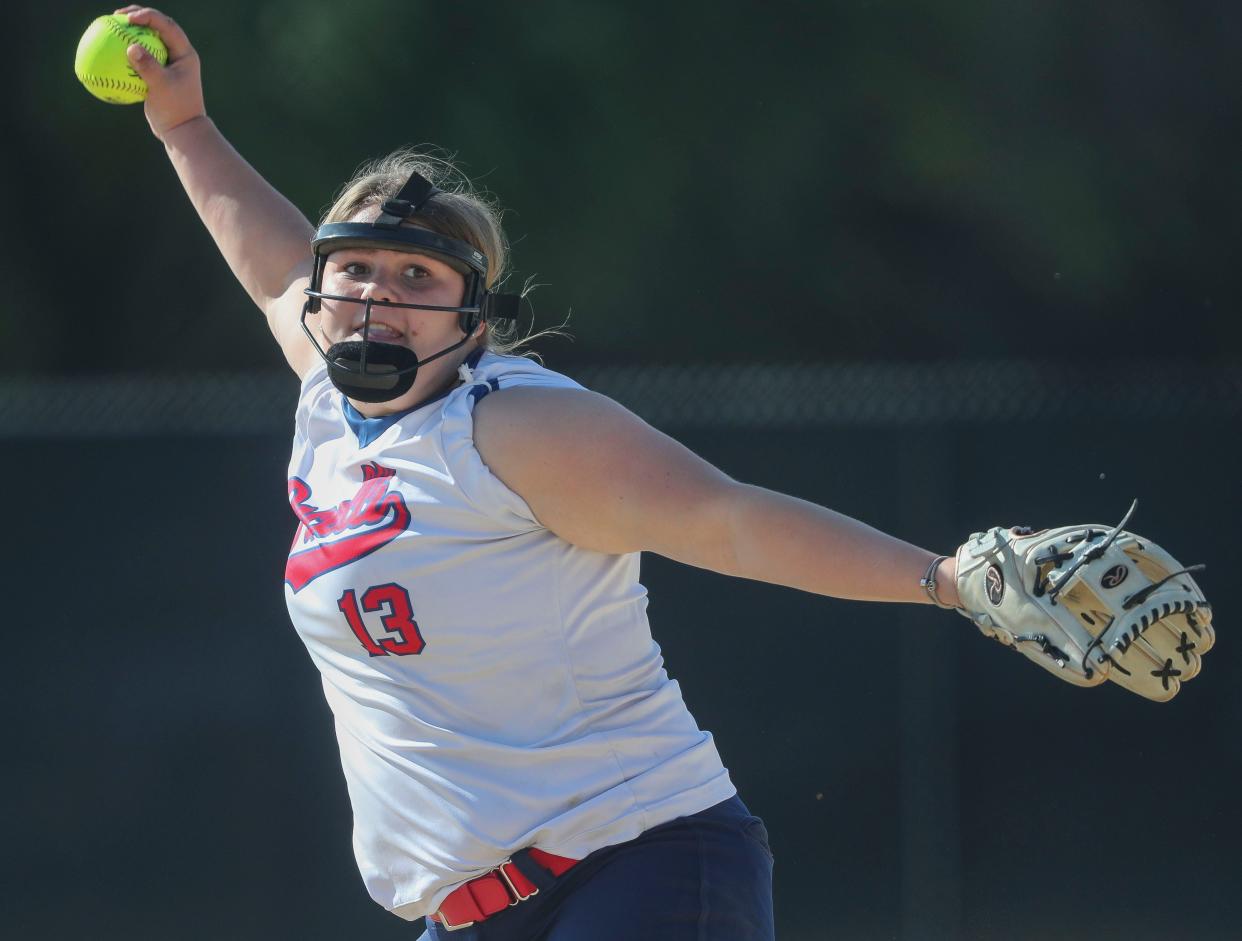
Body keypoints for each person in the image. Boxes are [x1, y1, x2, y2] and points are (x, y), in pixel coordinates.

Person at [119, 7, 966, 938]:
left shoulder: (507, 425)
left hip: (633, 866)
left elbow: (728, 520)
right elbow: (269, 266)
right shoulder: (330, 400)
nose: (377, 296)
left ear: (471, 321)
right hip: (473, 914)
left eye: (417, 279)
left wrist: (944, 580)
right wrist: (182, 127)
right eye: (356, 269)